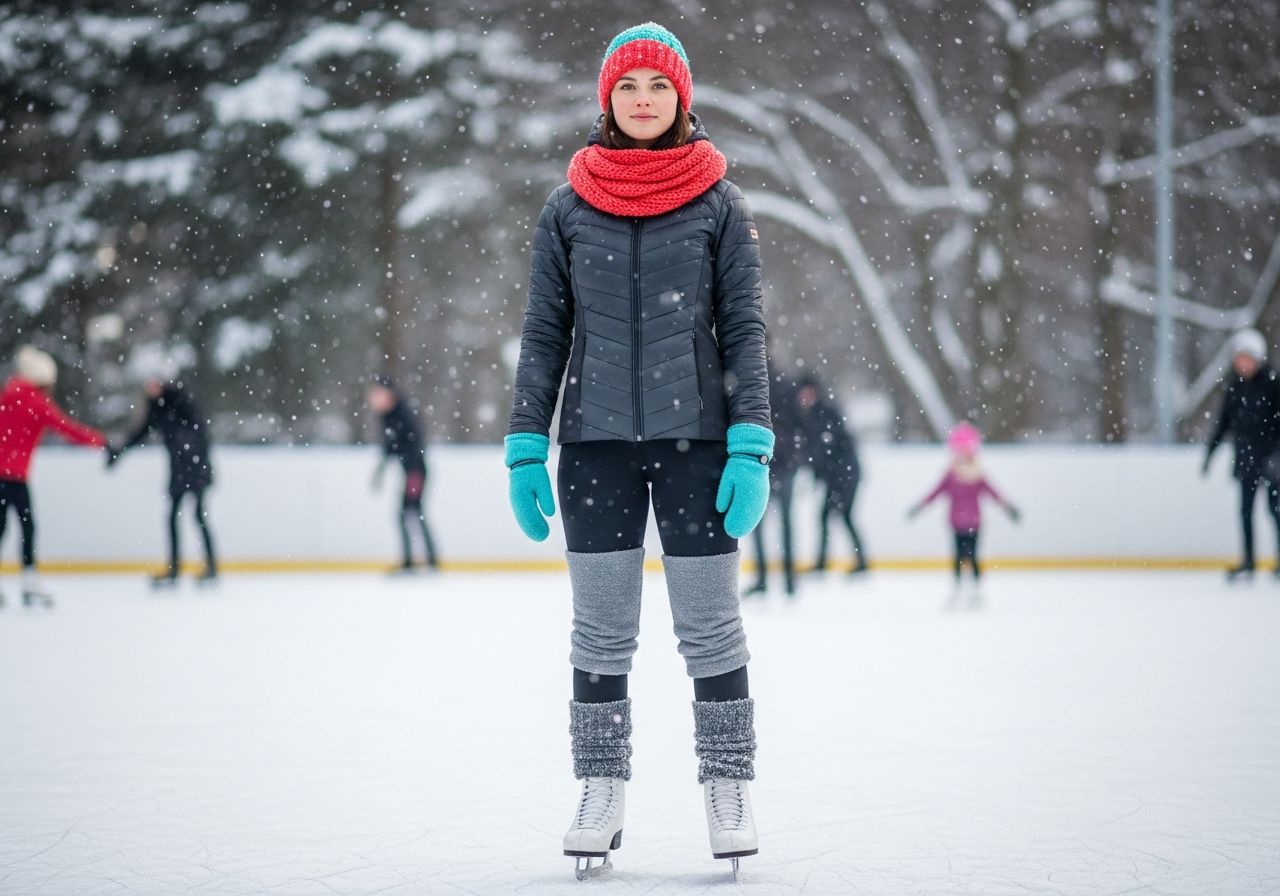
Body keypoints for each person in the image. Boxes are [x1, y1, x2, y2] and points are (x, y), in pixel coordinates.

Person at [503, 22, 771, 879]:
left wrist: (751, 445)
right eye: (629, 86)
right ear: (607, 99)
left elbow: (747, 333)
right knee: (601, 634)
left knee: (710, 630)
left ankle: (728, 789)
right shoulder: (568, 206)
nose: (645, 99)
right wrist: (523, 446)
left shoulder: (720, 203)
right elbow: (546, 334)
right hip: (594, 449)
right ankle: (600, 790)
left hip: (700, 447)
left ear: (682, 97)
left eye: (660, 85)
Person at [0, 345, 107, 607]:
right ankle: (29, 582)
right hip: (14, 477)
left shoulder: (8, 395)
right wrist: (101, 441)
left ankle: (28, 582)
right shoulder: (37, 404)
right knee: (28, 528)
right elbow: (67, 429)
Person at [106, 378, 217, 587]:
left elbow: (199, 430)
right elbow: (141, 432)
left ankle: (211, 566)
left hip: (196, 466)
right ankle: (174, 569)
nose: (151, 387)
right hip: (178, 468)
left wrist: (184, 447)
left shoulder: (181, 400)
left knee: (198, 515)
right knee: (173, 516)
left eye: (154, 383)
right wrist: (119, 451)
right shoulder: (156, 407)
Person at [907, 422, 1020, 606]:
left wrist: (1009, 508)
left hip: (974, 522)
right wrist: (919, 507)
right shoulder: (951, 475)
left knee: (973, 555)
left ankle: (975, 589)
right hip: (956, 522)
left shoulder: (978, 474)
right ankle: (958, 588)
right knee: (959, 555)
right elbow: (934, 492)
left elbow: (993, 492)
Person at [1203, 328, 1280, 581]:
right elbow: (1223, 423)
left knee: (1275, 509)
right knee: (1245, 510)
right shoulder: (1235, 387)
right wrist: (1210, 453)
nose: (1241, 363)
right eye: (1238, 359)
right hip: (1246, 458)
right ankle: (1249, 560)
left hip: (1272, 458)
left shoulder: (1273, 383)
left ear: (1257, 357)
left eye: (1245, 358)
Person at [797, 375, 869, 576]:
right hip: (838, 475)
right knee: (835, 516)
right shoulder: (812, 415)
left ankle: (852, 561)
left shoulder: (825, 413)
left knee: (841, 515)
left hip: (845, 474)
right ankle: (851, 561)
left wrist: (816, 468)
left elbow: (826, 447)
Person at [744, 361, 805, 597]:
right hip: (776, 460)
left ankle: (766, 579)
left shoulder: (750, 380)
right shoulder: (782, 381)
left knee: (761, 521)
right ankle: (785, 578)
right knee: (782, 522)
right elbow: (800, 423)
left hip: (765, 460)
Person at [368, 378, 438, 574]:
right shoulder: (390, 415)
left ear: (388, 394)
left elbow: (411, 444)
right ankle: (424, 561)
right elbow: (392, 446)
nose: (373, 398)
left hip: (415, 472)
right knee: (412, 513)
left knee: (412, 513)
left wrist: (413, 476)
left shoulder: (401, 414)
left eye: (377, 393)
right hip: (412, 471)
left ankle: (423, 562)